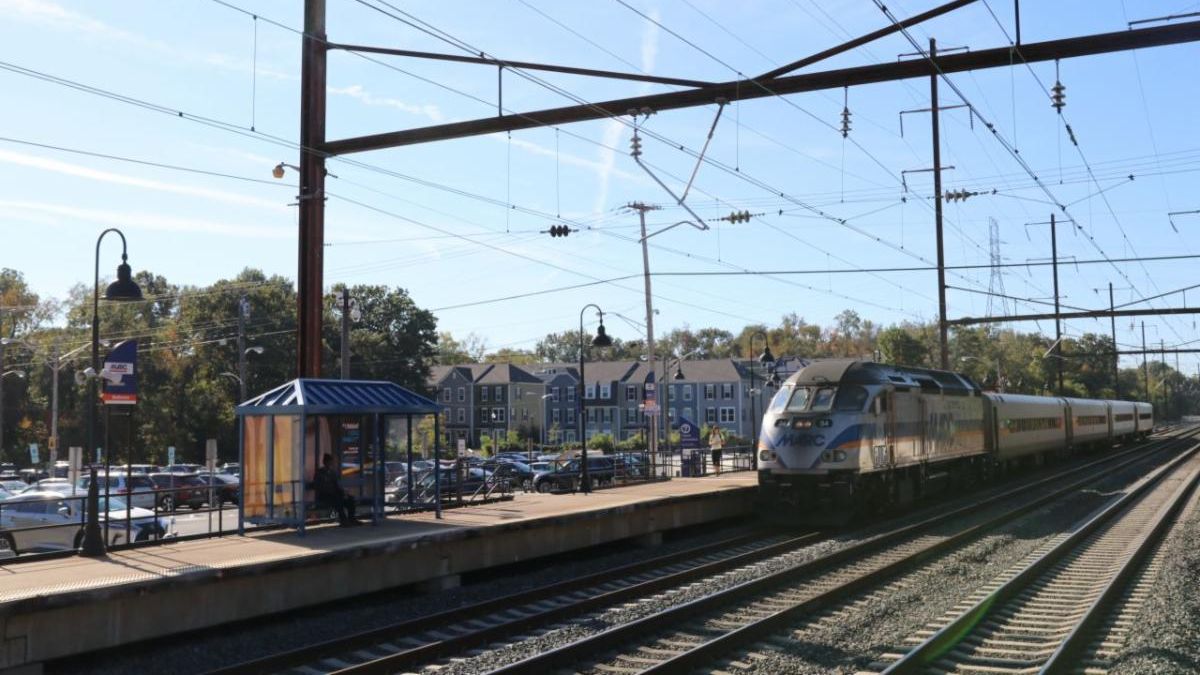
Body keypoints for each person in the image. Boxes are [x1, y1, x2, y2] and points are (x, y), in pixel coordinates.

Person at [314, 453, 358, 526]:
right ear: (324, 462)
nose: (330, 464)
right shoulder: (319, 472)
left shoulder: (332, 472)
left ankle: (352, 518)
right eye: (328, 462)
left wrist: (343, 493)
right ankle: (343, 520)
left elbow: (336, 485)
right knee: (338, 500)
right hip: (324, 495)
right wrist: (330, 490)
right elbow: (318, 486)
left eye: (330, 462)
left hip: (334, 494)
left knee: (350, 499)